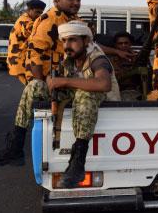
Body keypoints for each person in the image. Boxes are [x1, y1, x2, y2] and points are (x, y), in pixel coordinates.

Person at [0, 0, 83, 168]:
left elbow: (92, 44)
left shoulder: (74, 20)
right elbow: (35, 54)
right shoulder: (48, 20)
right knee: (34, 87)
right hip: (54, 82)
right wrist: (42, 82)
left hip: (76, 82)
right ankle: (15, 148)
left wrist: (116, 52)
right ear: (57, 0)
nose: (76, 2)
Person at [46, 20, 113, 187]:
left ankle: (78, 162)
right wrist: (51, 82)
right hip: (78, 103)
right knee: (34, 86)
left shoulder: (97, 58)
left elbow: (104, 84)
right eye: (64, 41)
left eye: (73, 40)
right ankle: (16, 144)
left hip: (106, 103)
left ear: (86, 41)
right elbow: (56, 79)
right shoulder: (69, 59)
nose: (67, 45)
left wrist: (65, 82)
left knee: (85, 92)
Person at [7, 0, 46, 85]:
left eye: (41, 13)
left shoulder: (27, 19)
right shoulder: (25, 20)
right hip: (20, 60)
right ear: (29, 10)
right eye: (37, 12)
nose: (39, 15)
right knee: (32, 88)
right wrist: (44, 19)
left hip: (20, 60)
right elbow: (31, 30)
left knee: (32, 88)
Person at [109, 31, 144, 100]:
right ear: (115, 45)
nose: (123, 45)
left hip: (137, 91)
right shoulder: (111, 59)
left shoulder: (137, 57)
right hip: (118, 92)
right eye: (120, 43)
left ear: (130, 44)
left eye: (126, 43)